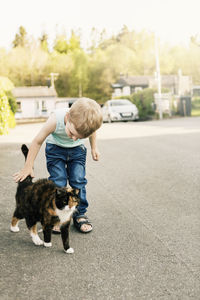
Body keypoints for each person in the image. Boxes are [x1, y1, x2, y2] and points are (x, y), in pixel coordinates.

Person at [13, 98, 103, 233]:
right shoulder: (55, 119)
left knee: (78, 180)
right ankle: (57, 216)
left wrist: (94, 148)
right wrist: (28, 166)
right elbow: (37, 141)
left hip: (77, 151)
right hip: (55, 150)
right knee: (58, 180)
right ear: (68, 117)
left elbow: (92, 132)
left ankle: (79, 214)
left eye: (79, 136)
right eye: (72, 133)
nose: (73, 138)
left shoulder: (83, 127)